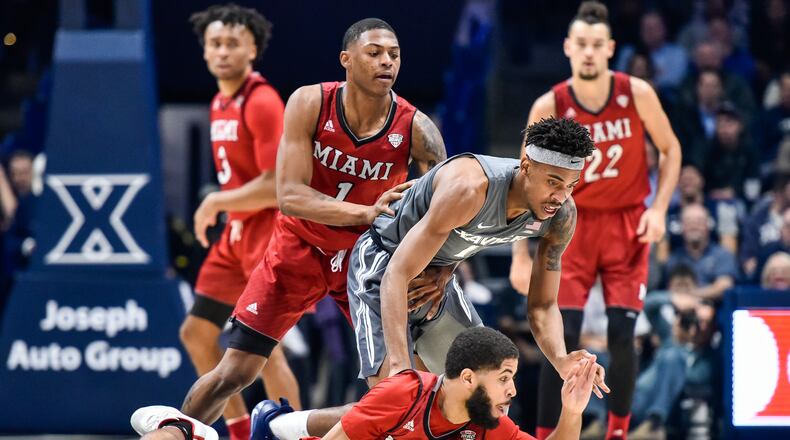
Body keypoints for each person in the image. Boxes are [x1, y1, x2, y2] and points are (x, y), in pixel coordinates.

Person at [130, 17, 447, 439]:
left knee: (399, 382)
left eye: (394, 54)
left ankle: (285, 425)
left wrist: (444, 268)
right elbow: (290, 196)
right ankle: (180, 431)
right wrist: (367, 212)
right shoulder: (309, 102)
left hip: (366, 258)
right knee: (235, 370)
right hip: (298, 245)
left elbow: (444, 212)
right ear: (346, 60)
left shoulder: (418, 129)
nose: (386, 61)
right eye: (374, 53)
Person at [254, 117, 608, 440]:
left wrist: (561, 359)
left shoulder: (560, 215)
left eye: (571, 185)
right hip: (384, 264)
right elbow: (398, 271)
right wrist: (400, 370)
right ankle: (279, 426)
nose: (560, 196)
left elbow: (543, 305)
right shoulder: (470, 188)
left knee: (479, 400)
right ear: (526, 166)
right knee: (399, 404)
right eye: (553, 182)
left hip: (438, 277)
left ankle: (279, 424)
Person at [508, 2, 682, 439]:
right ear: (568, 47)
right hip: (571, 225)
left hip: (627, 224)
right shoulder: (550, 103)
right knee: (559, 336)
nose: (588, 52)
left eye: (596, 45)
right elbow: (520, 180)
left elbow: (671, 149)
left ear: (610, 49)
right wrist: (518, 253)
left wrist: (659, 208)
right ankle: (550, 432)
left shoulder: (636, 92)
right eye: (580, 44)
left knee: (623, 333)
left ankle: (617, 432)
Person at [178, 6, 299, 440]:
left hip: (267, 234)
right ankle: (238, 428)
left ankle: (294, 433)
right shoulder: (219, 101)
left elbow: (278, 186)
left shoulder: (262, 100)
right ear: (205, 51)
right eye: (215, 43)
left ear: (253, 48)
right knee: (196, 332)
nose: (223, 51)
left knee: (266, 352)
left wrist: (217, 200)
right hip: (235, 236)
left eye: (233, 43)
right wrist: (225, 205)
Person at [316, 327, 599, 440]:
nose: (512, 390)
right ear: (467, 378)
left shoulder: (488, 423)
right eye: (503, 378)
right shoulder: (405, 393)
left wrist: (572, 411)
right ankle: (276, 422)